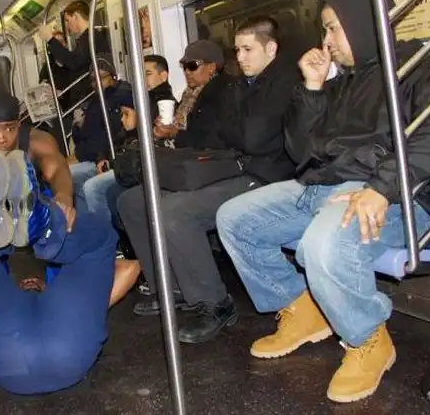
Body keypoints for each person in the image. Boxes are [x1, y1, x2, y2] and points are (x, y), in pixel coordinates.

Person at [216, 0, 430, 403]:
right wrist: (313, 89)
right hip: (324, 188)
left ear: (364, 24)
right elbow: (301, 151)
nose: (326, 41)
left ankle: (367, 337)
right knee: (234, 218)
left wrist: (382, 188)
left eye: (333, 29)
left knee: (323, 242)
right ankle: (302, 310)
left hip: (397, 196)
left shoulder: (421, 71)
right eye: (325, 30)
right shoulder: (342, 85)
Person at [0, 91, 138, 395]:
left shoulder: (37, 139)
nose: (1, 138)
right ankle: (33, 225)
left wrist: (63, 199)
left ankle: (37, 222)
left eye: (9, 128)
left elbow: (57, 169)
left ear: (19, 124)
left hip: (28, 209)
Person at [119, 28, 298, 344]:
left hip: (264, 173)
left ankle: (215, 302)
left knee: (175, 212)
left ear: (271, 49)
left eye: (247, 50)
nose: (240, 57)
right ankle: (171, 286)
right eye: (237, 50)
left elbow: (251, 139)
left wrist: (221, 133)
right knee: (133, 201)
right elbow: (226, 135)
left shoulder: (281, 84)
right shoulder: (239, 87)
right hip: (227, 163)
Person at [81, 54, 176, 224]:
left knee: (93, 187)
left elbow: (141, 140)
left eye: (148, 74)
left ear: (163, 76)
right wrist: (104, 157)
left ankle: (105, 235)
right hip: (125, 158)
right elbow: (121, 135)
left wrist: (112, 160)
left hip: (141, 164)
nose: (143, 79)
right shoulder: (139, 100)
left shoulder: (162, 104)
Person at [68, 55, 132, 208]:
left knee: (73, 177)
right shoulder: (97, 99)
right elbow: (87, 133)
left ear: (113, 76)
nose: (96, 83)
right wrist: (78, 128)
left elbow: (106, 136)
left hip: (105, 156)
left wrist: (79, 155)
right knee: (67, 175)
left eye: (101, 77)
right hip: (95, 155)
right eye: (93, 79)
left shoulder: (120, 96)